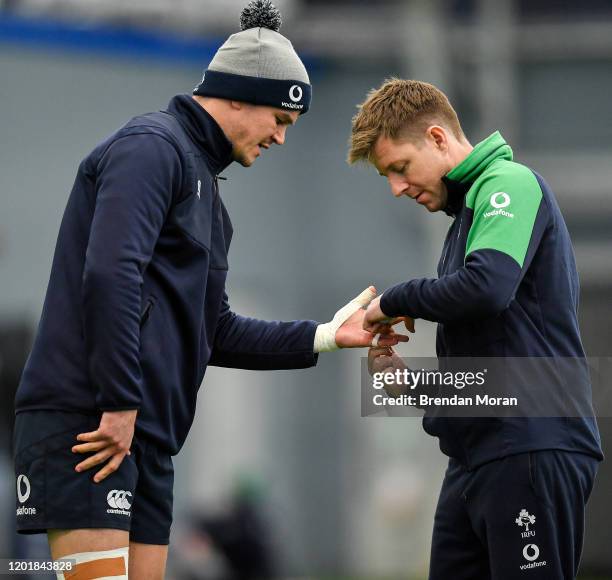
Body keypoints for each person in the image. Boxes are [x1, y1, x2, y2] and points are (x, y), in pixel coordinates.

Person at [12, 3, 407, 578]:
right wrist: (121, 401)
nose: (280, 137)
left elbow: (215, 330)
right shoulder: (152, 147)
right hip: (93, 422)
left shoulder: (211, 203)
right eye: (279, 119)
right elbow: (110, 273)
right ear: (238, 94)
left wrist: (325, 336)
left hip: (145, 436)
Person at [349, 78, 603, 579]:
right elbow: (497, 369)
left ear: (439, 138)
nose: (397, 188)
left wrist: (393, 301)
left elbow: (487, 288)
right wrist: (412, 385)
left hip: (531, 448)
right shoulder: (465, 218)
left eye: (399, 168)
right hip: (478, 459)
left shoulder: (507, 183)